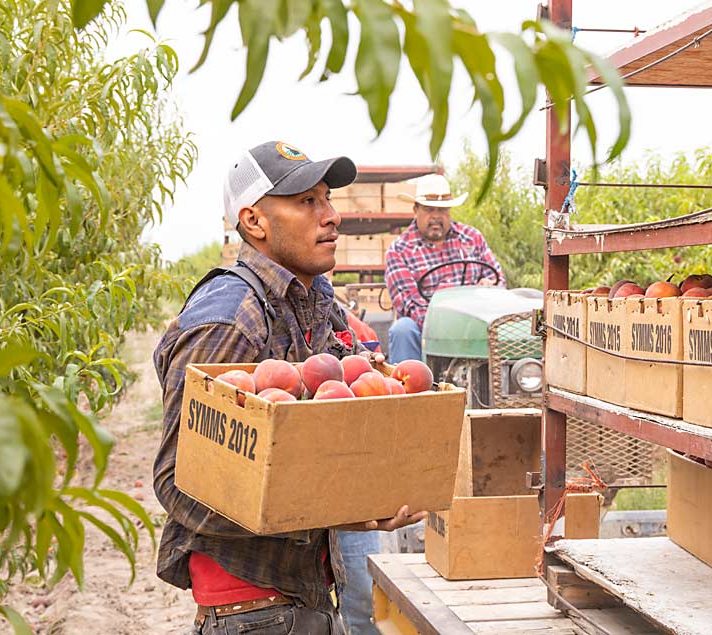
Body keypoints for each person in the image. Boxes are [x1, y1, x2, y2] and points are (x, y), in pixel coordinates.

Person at [152, 141, 426, 635]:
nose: (332, 216)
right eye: (307, 202)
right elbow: (178, 482)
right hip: (251, 608)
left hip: (305, 592)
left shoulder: (314, 301)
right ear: (255, 222)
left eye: (328, 199)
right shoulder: (232, 318)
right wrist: (326, 510)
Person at [384, 174, 506, 363]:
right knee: (403, 329)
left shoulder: (471, 238)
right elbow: (411, 304)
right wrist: (451, 328)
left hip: (474, 321)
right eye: (429, 209)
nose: (436, 216)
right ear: (415, 210)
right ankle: (410, 385)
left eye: (442, 210)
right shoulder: (399, 250)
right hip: (427, 327)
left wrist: (489, 286)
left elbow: (497, 278)